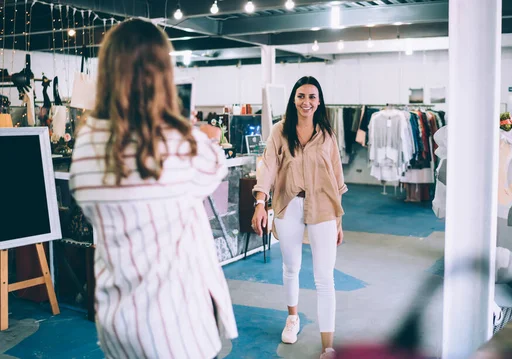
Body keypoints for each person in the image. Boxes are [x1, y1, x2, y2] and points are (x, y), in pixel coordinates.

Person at [69, 19, 237, 359]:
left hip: (118, 321)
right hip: (176, 325)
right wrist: (189, 126)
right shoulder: (177, 143)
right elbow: (216, 165)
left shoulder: (86, 143)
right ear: (163, 73)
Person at [252, 76, 348, 359]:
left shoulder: (327, 135)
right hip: (289, 206)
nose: (307, 102)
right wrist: (260, 202)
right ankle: (292, 318)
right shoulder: (280, 131)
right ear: (294, 99)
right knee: (291, 267)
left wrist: (339, 222)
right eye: (301, 96)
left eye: (312, 97)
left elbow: (336, 179)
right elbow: (268, 167)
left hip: (324, 210)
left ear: (319, 102)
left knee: (324, 277)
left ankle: (327, 345)